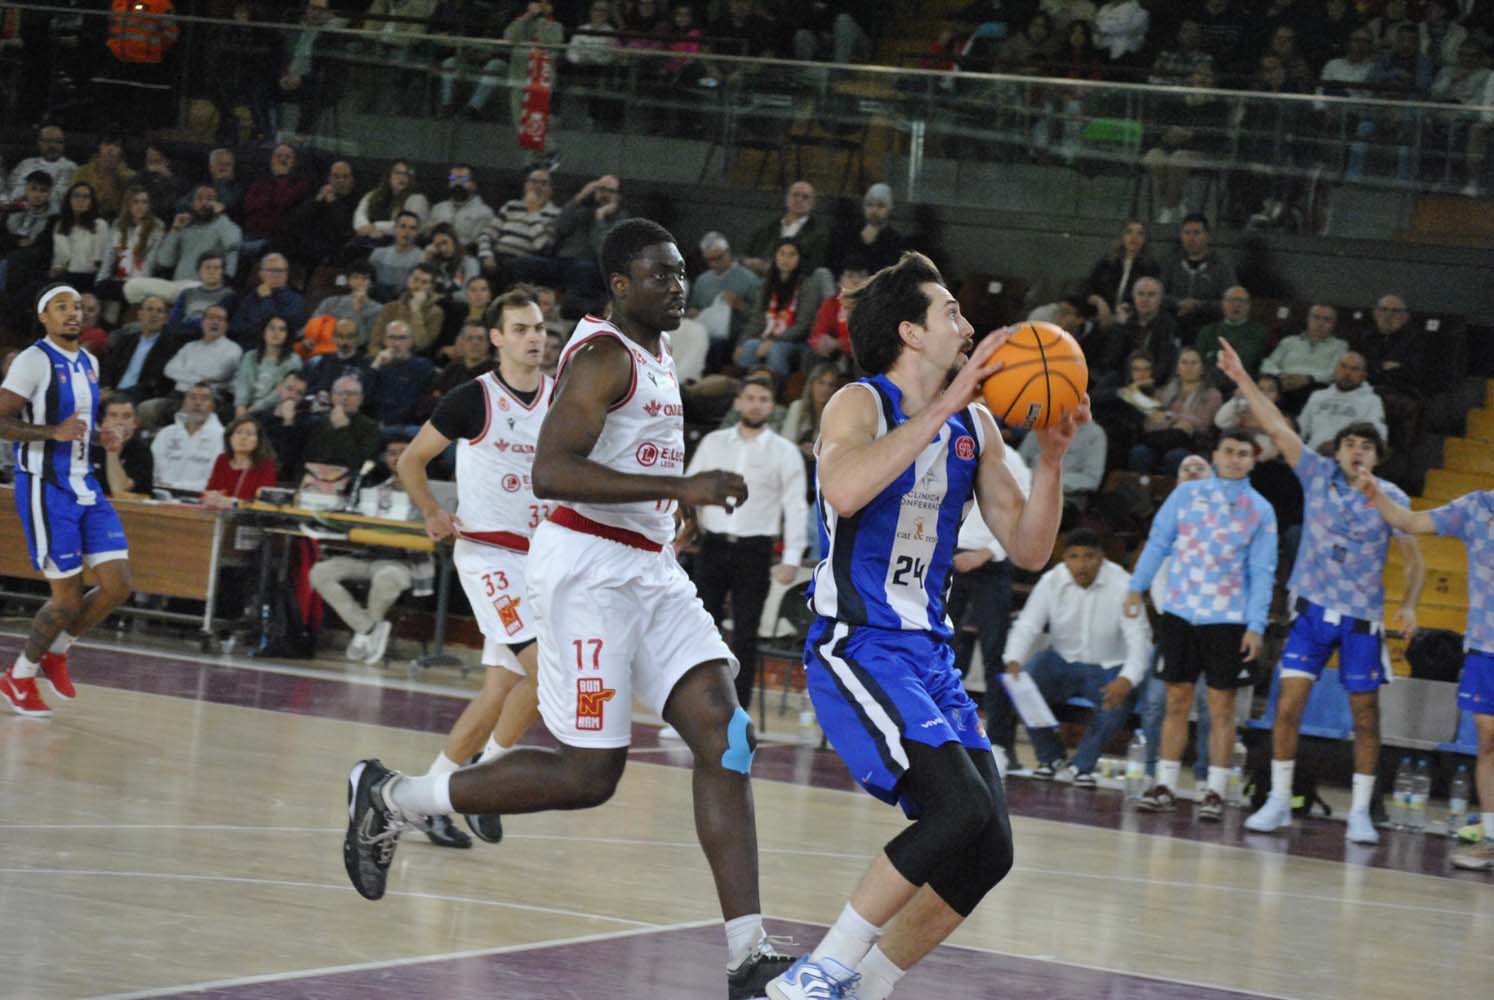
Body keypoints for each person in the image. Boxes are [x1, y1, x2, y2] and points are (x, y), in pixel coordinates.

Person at [343, 219, 794, 1000]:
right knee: (590, 775)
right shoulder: (603, 354)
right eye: (662, 274)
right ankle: (393, 796)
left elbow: (628, 456)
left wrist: (665, 510)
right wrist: (678, 489)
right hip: (585, 576)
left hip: (648, 568)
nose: (679, 285)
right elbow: (552, 470)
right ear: (621, 285)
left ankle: (748, 956)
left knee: (727, 736)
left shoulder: (652, 353)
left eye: (683, 271)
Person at [766, 251, 1089, 1000]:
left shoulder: (977, 425)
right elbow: (844, 490)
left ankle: (865, 985)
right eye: (951, 314)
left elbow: (1032, 547)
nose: (970, 328)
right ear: (910, 332)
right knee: (959, 808)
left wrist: (1051, 462)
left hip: (929, 656)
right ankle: (817, 973)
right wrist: (944, 407)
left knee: (991, 848)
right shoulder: (860, 403)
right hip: (857, 643)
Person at [1217, 338, 1424, 846]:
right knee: (1286, 708)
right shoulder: (1316, 475)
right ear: (1338, 449)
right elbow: (1277, 427)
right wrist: (1243, 379)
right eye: (1351, 442)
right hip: (1310, 612)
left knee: (1364, 715)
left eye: (1367, 445)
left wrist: (1410, 603)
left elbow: (1415, 560)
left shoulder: (1391, 497)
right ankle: (1277, 800)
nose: (1357, 450)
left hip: (1361, 620)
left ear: (1378, 456)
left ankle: (1359, 812)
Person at [395, 285, 552, 848]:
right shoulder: (473, 398)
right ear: (496, 339)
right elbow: (411, 459)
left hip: (540, 561)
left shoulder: (561, 399)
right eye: (521, 329)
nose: (534, 337)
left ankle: (431, 796)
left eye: (538, 328)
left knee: (501, 691)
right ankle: (485, 783)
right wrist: (433, 510)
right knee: (548, 669)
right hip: (489, 557)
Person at [1124, 430, 1277, 819]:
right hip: (1180, 612)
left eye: (1244, 453)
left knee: (1221, 708)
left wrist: (1255, 625)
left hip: (1228, 618)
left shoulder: (1260, 509)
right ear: (1216, 454)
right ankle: (1165, 784)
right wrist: (1135, 587)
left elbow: (1263, 572)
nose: (1235, 459)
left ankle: (1214, 790)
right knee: (1176, 700)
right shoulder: (1185, 495)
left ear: (1253, 460)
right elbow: (1158, 542)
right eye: (1229, 451)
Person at [0, 285, 133, 718]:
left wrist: (100, 436)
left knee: (118, 585)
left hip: (85, 484)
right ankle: (19, 677)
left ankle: (58, 650)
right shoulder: (32, 360)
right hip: (45, 485)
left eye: (76, 307)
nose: (72, 313)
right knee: (66, 601)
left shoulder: (89, 361)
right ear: (43, 316)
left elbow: (75, 426)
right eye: (61, 307)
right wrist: (50, 433)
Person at [1356, 480, 1494, 870]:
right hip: (1485, 646)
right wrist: (1372, 490)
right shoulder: (1477, 507)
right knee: (1488, 741)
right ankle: (1491, 838)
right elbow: (1409, 521)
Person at [992, 530, 1152, 784]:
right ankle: (1051, 756)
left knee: (1118, 701)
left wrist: (1127, 679)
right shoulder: (1051, 581)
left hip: (1109, 666)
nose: (1081, 564)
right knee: (1022, 683)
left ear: (1102, 558)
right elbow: (1027, 625)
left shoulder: (1123, 585)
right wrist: (1013, 661)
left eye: (1089, 557)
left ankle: (1082, 766)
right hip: (1062, 663)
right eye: (1074, 557)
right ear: (1064, 559)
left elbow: (1139, 641)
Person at [687, 375, 808, 711]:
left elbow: (795, 505)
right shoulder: (714, 442)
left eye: (763, 399)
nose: (756, 404)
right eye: (750, 397)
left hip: (754, 549)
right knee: (700, 628)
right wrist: (679, 535)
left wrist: (793, 557)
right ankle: (693, 709)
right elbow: (689, 489)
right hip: (713, 545)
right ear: (739, 401)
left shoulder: (784, 452)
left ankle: (734, 715)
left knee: (746, 632)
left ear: (772, 406)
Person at [309, 437, 424, 666]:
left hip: (403, 561)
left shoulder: (427, 491)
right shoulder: (374, 490)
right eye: (392, 453)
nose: (397, 457)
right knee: (320, 572)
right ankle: (368, 628)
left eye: (404, 451)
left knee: (386, 578)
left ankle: (366, 634)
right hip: (367, 556)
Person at [734, 238, 830, 377]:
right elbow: (757, 319)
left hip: (796, 341)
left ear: (799, 258)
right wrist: (741, 343)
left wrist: (773, 340)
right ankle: (748, 387)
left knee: (775, 349)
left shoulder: (808, 285)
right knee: (749, 346)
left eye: (792, 255)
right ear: (775, 256)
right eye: (782, 254)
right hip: (768, 336)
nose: (786, 259)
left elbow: (803, 325)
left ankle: (777, 389)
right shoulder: (766, 285)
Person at [1259, 303, 1350, 414]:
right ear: (1308, 319)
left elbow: (1334, 373)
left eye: (1327, 320)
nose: (1320, 323)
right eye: (1316, 317)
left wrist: (1308, 379)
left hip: (1315, 388)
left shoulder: (1340, 346)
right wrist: (1280, 375)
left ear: (1333, 324)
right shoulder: (1289, 341)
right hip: (1283, 384)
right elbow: (1267, 364)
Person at [1297, 351, 1387, 451]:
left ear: (1363, 376)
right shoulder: (1318, 395)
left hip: (1347, 457)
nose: (1347, 373)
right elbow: (1300, 430)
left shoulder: (1372, 400)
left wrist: (1339, 446)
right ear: (1335, 370)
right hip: (1311, 456)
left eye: (1354, 369)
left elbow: (1378, 438)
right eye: (1343, 366)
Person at [150, 383, 225, 493]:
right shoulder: (166, 433)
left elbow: (215, 479)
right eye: (192, 397)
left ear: (213, 405)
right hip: (160, 494)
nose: (197, 403)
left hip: (197, 498)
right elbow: (152, 468)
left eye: (204, 399)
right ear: (184, 402)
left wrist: (175, 486)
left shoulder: (222, 437)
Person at [1085, 218, 1161, 313]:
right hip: (1102, 314)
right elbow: (1088, 287)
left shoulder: (1151, 267)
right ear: (1122, 237)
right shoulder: (1107, 262)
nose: (1134, 237)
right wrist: (1098, 301)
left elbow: (1152, 299)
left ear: (1145, 239)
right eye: (1129, 232)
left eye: (1140, 233)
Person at [202, 414, 278, 508]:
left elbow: (266, 504)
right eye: (238, 432)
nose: (243, 437)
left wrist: (234, 503)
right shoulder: (222, 459)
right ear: (230, 437)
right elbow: (208, 491)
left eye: (249, 434)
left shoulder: (266, 465)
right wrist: (211, 496)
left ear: (258, 441)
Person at [234, 315, 302, 417]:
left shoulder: (293, 361)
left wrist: (254, 409)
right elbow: (243, 384)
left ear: (288, 335)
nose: (276, 333)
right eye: (272, 328)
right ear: (263, 332)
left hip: (272, 408)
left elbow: (280, 393)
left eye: (282, 330)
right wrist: (240, 406)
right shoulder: (250, 356)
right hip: (246, 406)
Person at [91, 393, 153, 496]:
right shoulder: (91, 447)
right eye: (113, 415)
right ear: (103, 422)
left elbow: (119, 490)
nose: (119, 422)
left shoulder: (142, 451)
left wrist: (112, 450)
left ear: (135, 423)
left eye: (126, 416)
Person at [1194, 286, 1267, 374]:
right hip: (1210, 380)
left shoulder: (1258, 331)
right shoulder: (1208, 331)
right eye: (1231, 300)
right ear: (1223, 304)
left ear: (1248, 306)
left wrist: (1214, 355)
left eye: (1241, 301)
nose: (1236, 305)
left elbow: (1245, 360)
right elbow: (1199, 361)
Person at [353, 160, 430, 240]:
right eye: (398, 173)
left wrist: (375, 226)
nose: (402, 177)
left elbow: (409, 226)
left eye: (406, 174)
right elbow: (359, 214)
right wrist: (367, 228)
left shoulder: (417, 199)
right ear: (389, 176)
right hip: (369, 236)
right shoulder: (373, 194)